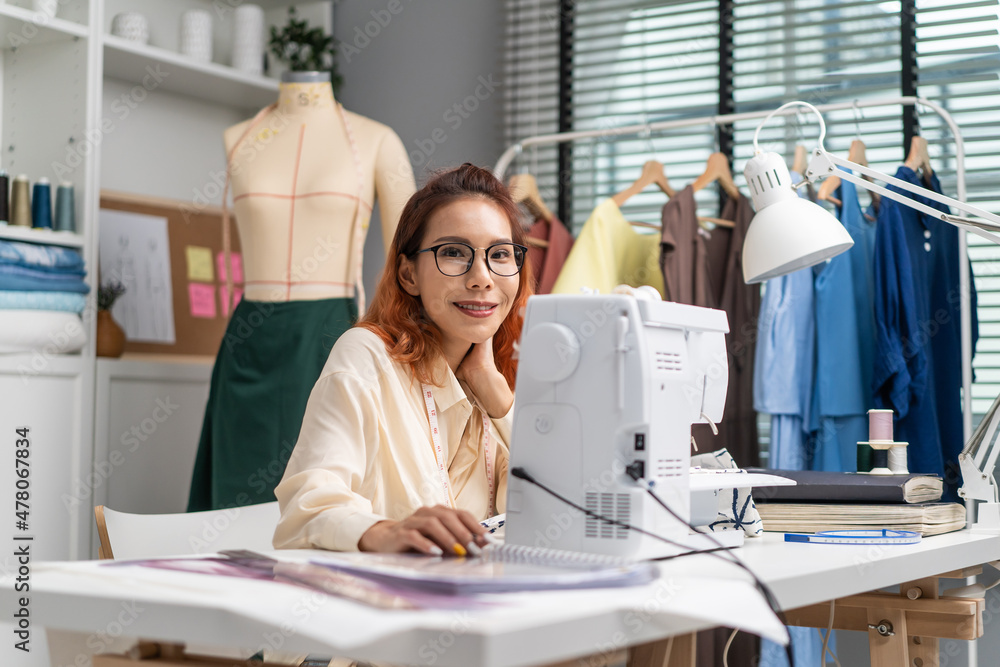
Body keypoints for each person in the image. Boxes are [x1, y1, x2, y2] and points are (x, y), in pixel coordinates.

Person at [273, 164, 534, 553]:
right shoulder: (366, 356)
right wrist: (385, 532)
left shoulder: (503, 377)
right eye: (453, 252)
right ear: (408, 274)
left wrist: (498, 400)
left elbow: (560, 507)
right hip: (384, 604)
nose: (482, 277)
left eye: (499, 254)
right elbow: (306, 507)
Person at [187, 71, 415, 512]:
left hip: (331, 338)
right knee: (233, 508)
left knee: (322, 500)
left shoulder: (377, 141)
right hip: (249, 343)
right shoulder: (239, 137)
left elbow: (408, 263)